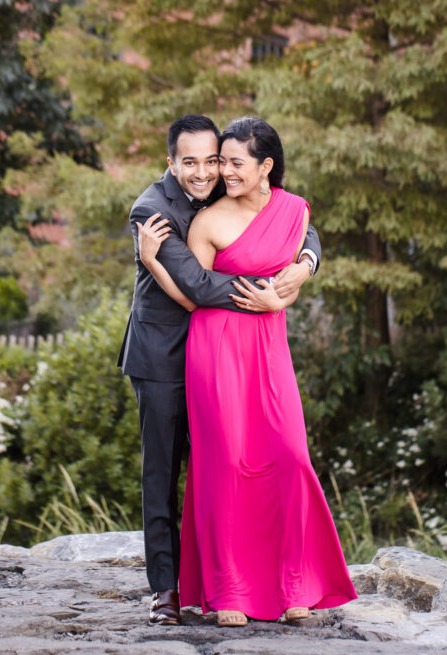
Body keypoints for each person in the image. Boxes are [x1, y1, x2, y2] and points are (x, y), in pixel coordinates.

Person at [137, 116, 357, 627]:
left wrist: (303, 269)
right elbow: (195, 293)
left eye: (230, 162)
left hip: (269, 346)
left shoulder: (293, 209)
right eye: (212, 162)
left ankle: (294, 583)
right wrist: (156, 263)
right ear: (172, 162)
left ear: (265, 168)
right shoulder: (196, 218)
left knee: (289, 456)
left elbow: (301, 248)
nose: (219, 172)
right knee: (226, 464)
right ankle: (225, 590)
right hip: (213, 348)